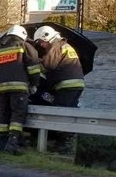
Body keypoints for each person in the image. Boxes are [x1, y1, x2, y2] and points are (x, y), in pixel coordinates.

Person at [0, 24, 42, 155]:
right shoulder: (24, 46)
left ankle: (1, 142)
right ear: (23, 36)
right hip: (19, 88)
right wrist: (34, 84)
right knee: (18, 113)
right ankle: (12, 143)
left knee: (3, 113)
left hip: (2, 89)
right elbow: (33, 67)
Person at [32, 25, 85, 153]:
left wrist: (35, 63)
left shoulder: (56, 45)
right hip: (75, 84)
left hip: (67, 85)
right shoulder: (64, 45)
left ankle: (64, 145)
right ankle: (67, 142)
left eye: (40, 43)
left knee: (59, 114)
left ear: (46, 36)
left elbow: (49, 65)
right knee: (68, 112)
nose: (41, 46)